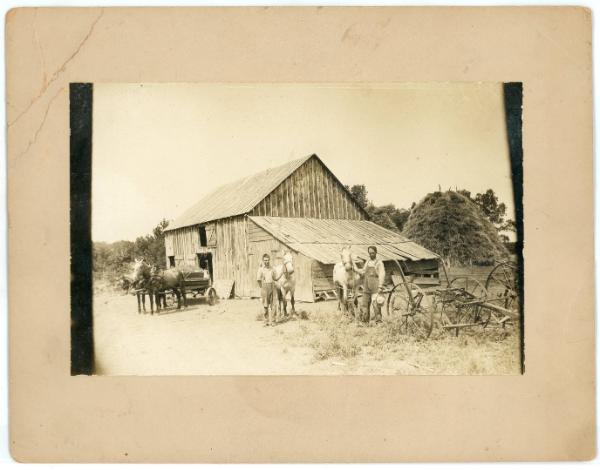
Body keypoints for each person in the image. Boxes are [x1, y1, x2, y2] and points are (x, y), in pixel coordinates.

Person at [355, 245, 385, 325]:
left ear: (376, 252)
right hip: (366, 287)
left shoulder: (379, 263)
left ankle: (379, 322)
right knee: (364, 304)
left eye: (372, 253)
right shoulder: (367, 262)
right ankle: (365, 322)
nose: (371, 254)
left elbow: (382, 274)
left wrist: (380, 286)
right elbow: (363, 272)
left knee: (376, 306)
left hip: (375, 287)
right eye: (370, 253)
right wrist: (356, 270)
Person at [257, 253, 277, 326]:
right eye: (265, 260)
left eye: (268, 260)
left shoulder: (272, 268)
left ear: (269, 260)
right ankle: (266, 321)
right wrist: (262, 288)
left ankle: (273, 321)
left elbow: (275, 278)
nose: (266, 261)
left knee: (273, 305)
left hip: (272, 286)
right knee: (265, 305)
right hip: (264, 287)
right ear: (263, 260)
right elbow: (258, 280)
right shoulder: (261, 269)